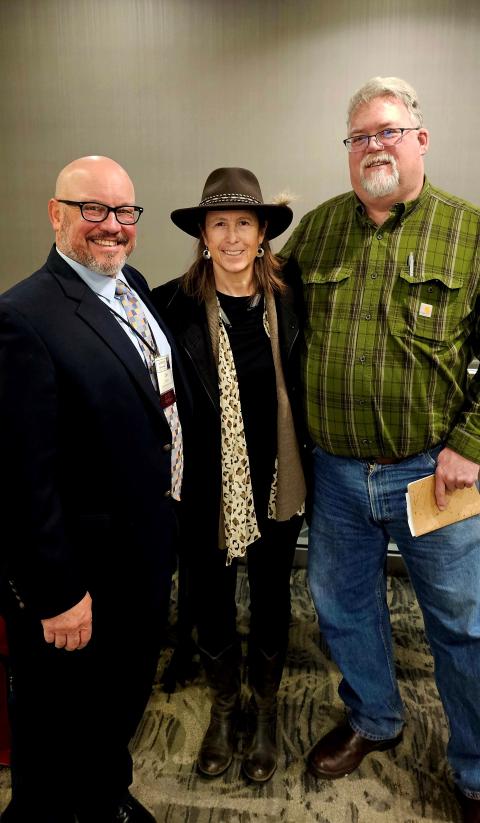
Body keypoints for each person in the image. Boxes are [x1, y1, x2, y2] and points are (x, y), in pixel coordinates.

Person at [279, 76, 480, 822]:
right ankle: (375, 716)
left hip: (434, 472)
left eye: (389, 131)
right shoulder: (322, 229)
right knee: (343, 605)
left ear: (420, 140)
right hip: (334, 473)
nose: (375, 146)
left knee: (461, 621)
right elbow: (263, 307)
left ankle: (476, 768)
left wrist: (471, 442)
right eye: (361, 136)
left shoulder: (469, 231)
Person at [0, 155, 188, 823]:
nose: (112, 225)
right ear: (56, 214)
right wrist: (55, 594)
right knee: (57, 730)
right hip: (78, 578)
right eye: (93, 210)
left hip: (138, 553)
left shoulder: (127, 281)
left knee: (116, 700)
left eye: (124, 212)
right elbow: (22, 479)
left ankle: (105, 792)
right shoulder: (23, 318)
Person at [153, 168, 307, 783]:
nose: (233, 236)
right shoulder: (171, 305)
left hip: (278, 484)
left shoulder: (294, 299)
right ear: (204, 236)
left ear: (263, 230)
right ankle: (224, 708)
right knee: (210, 601)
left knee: (272, 596)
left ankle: (265, 711)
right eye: (220, 224)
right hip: (204, 493)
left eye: (245, 222)